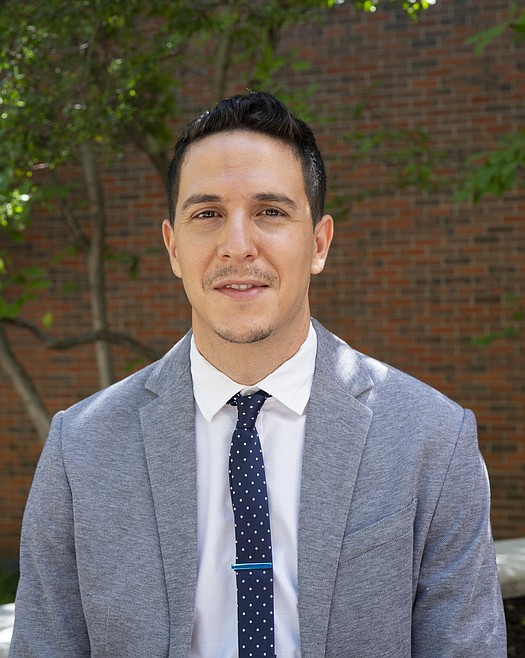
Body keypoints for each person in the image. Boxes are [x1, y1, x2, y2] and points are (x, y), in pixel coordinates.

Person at [10, 91, 506, 657]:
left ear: (318, 243)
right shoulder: (81, 448)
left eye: (270, 212)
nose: (237, 246)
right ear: (173, 247)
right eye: (207, 214)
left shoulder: (433, 440)